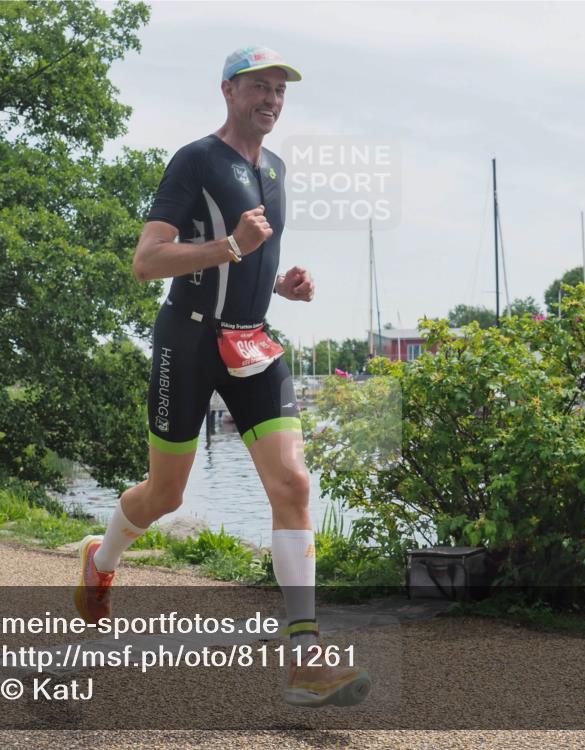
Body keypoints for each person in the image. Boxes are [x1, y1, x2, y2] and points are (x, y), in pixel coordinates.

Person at [74, 46, 370, 708]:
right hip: (189, 336)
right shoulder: (197, 160)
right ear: (228, 92)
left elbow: (254, 259)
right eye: (258, 87)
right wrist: (231, 246)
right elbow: (147, 262)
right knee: (166, 496)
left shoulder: (278, 170)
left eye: (279, 90)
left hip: (253, 340)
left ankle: (305, 656)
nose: (271, 98)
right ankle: (101, 561)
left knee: (293, 482)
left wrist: (286, 286)